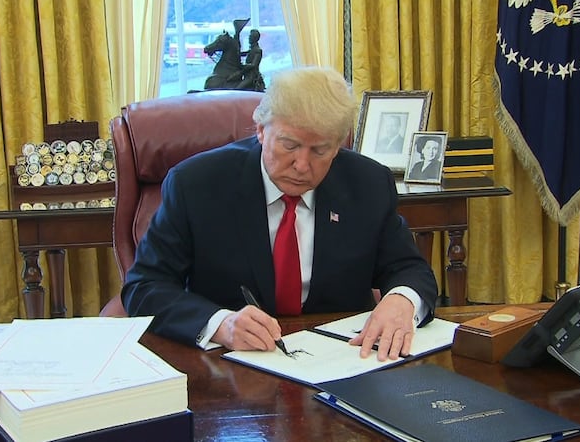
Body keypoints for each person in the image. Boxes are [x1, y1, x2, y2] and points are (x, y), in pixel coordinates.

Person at [121, 66, 438, 361]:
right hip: (231, 363)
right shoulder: (196, 185)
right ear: (261, 129)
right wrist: (220, 324)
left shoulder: (368, 184)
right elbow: (145, 286)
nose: (302, 165)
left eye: (320, 150)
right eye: (289, 145)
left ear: (338, 145)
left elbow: (409, 268)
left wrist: (402, 300)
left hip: (342, 361)